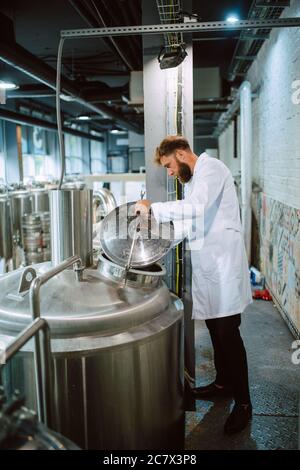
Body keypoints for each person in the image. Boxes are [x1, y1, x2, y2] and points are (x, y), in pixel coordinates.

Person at [135, 135, 253, 435]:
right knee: (214, 326)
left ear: (181, 152)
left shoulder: (211, 169)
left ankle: (243, 404)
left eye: (169, 166)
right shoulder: (192, 182)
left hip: (224, 264)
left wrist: (154, 208)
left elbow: (197, 207)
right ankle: (224, 383)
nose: (170, 172)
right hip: (209, 266)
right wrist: (154, 247)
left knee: (228, 331)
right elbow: (187, 226)